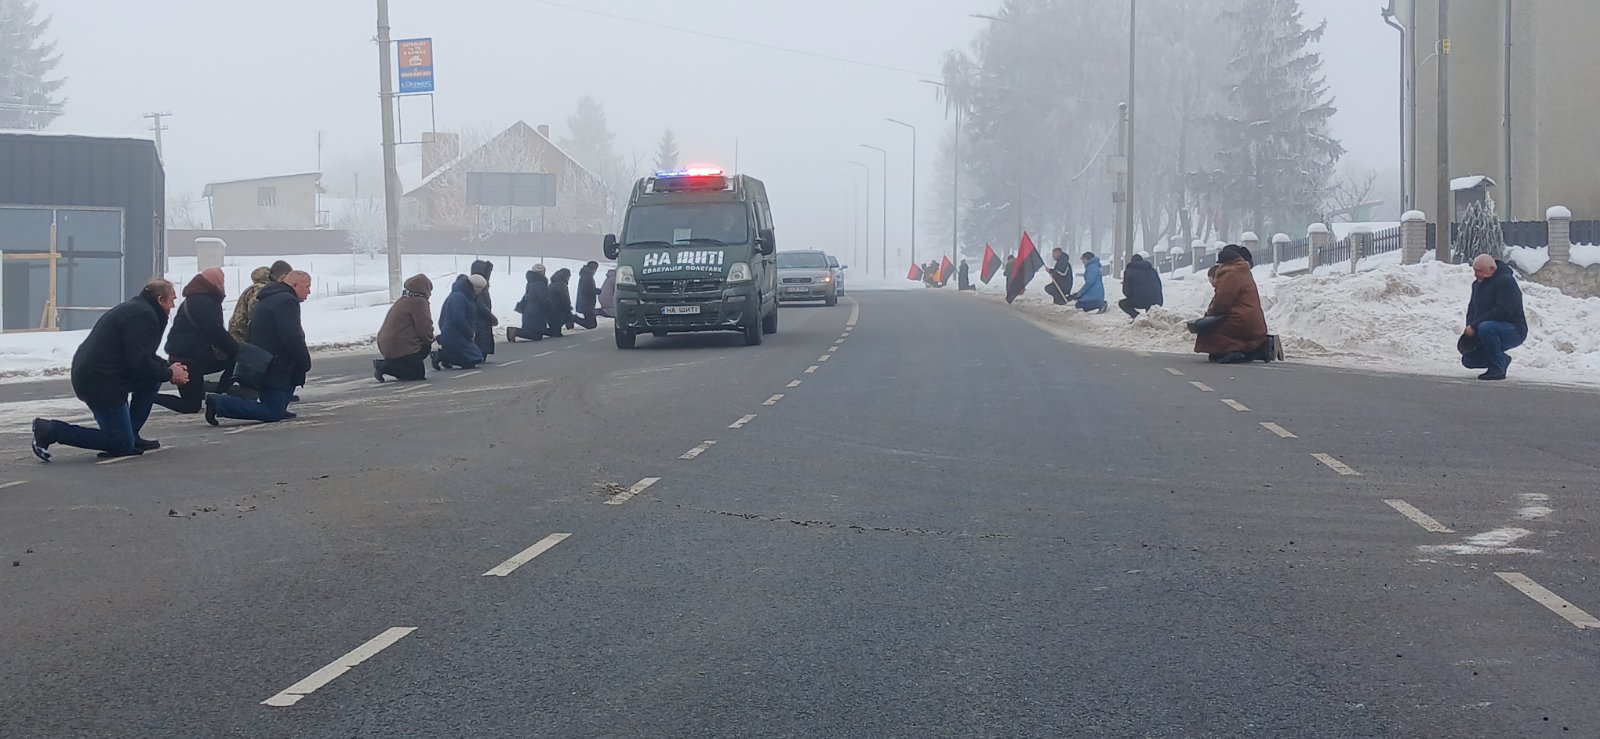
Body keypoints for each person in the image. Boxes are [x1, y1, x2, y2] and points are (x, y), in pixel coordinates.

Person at [31, 279, 191, 461]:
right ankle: (51, 430)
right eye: (172, 300)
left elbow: (143, 355)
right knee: (120, 444)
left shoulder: (140, 310)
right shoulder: (143, 316)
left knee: (152, 379)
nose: (173, 305)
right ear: (160, 299)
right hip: (100, 381)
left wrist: (169, 369)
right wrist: (170, 373)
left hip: (105, 376)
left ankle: (132, 434)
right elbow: (140, 362)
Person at [206, 271, 311, 425]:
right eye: (307, 286)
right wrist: (304, 361)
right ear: (295, 285)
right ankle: (219, 403)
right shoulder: (286, 301)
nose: (309, 291)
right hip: (274, 364)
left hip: (265, 360)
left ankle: (278, 407)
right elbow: (292, 337)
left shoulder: (270, 297)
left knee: (287, 388)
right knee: (272, 412)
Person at [154, 268, 238, 414]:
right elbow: (216, 332)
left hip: (192, 356)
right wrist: (237, 349)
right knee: (190, 406)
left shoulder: (197, 298)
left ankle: (216, 394)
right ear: (215, 283)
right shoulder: (204, 302)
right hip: (188, 360)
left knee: (234, 359)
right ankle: (150, 397)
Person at [1191, 245, 1274, 364]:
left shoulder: (1230, 275)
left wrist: (1209, 315)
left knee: (1209, 331)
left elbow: (1222, 302)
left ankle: (1241, 350)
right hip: (1253, 321)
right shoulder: (1244, 272)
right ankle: (1250, 348)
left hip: (1241, 321)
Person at [1461, 253, 1528, 381]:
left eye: (1479, 271)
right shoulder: (1477, 285)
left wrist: (1476, 326)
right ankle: (1502, 359)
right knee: (1468, 360)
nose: (1475, 274)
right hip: (1484, 329)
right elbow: (1472, 309)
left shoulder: (1506, 282)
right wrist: (1470, 328)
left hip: (1513, 330)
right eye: (1474, 271)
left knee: (1487, 327)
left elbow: (1503, 311)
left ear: (1492, 269)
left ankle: (1497, 369)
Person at [374, 274, 435, 382]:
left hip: (386, 345)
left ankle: (395, 364)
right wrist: (430, 340)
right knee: (417, 373)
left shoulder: (403, 299)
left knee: (411, 368)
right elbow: (425, 328)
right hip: (399, 346)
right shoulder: (419, 302)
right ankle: (385, 367)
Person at [229, 261, 293, 345]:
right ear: (282, 277)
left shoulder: (265, 288)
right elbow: (256, 317)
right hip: (242, 338)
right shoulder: (261, 290)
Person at [433, 274, 487, 369]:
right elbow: (458, 319)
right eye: (479, 288)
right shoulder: (458, 297)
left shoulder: (468, 297)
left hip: (462, 333)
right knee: (472, 359)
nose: (480, 291)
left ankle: (447, 354)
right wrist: (469, 333)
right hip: (455, 333)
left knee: (476, 357)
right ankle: (442, 355)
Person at [510, 266, 552, 342]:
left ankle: (514, 331)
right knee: (536, 335)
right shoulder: (540, 283)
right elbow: (543, 298)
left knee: (534, 332)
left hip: (529, 309)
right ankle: (514, 331)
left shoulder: (531, 281)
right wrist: (548, 306)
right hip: (536, 311)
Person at [1119, 252, 1165, 318]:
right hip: (1157, 300)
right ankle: (1151, 318)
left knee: (1122, 303)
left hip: (1140, 300)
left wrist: (1133, 296)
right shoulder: (1152, 270)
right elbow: (1158, 286)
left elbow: (1126, 291)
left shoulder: (1129, 272)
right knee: (1149, 303)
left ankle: (1137, 317)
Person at [469, 260, 498, 361]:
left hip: (482, 321)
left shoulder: (482, 287)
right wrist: (491, 318)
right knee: (481, 339)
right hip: (480, 320)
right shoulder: (478, 287)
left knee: (483, 340)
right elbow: (480, 306)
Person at [573, 261, 601, 330]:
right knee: (591, 324)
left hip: (586, 303)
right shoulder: (587, 276)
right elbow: (586, 290)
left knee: (591, 324)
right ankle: (573, 318)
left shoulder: (586, 274)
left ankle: (574, 318)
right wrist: (596, 291)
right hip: (587, 303)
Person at [547, 267, 575, 337]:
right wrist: (569, 315)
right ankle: (538, 332)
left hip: (550, 312)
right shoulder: (562, 285)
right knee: (556, 333)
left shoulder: (552, 284)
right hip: (557, 313)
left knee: (556, 333)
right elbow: (565, 300)